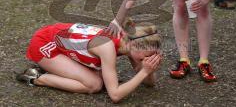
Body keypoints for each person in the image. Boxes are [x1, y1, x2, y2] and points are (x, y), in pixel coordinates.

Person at [16, 19, 162, 103]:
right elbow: (115, 95)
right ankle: (37, 78)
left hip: (64, 44)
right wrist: (144, 72)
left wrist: (148, 70)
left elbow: (149, 84)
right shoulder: (107, 47)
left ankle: (58, 69)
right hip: (45, 44)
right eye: (147, 55)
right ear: (133, 45)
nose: (148, 59)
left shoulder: (128, 43)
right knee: (95, 84)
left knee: (102, 78)